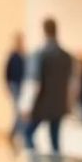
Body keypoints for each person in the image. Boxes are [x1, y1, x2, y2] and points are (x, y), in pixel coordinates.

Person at [23, 17, 74, 154]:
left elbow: (36, 82)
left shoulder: (41, 54)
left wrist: (27, 106)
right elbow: (71, 83)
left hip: (42, 103)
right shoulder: (66, 56)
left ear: (44, 31)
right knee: (55, 142)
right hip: (59, 103)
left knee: (27, 134)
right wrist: (69, 104)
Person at [5, 33, 25, 143]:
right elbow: (7, 72)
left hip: (21, 85)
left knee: (20, 111)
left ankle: (16, 132)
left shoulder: (23, 55)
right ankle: (14, 133)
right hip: (14, 85)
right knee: (18, 111)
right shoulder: (13, 55)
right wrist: (8, 86)